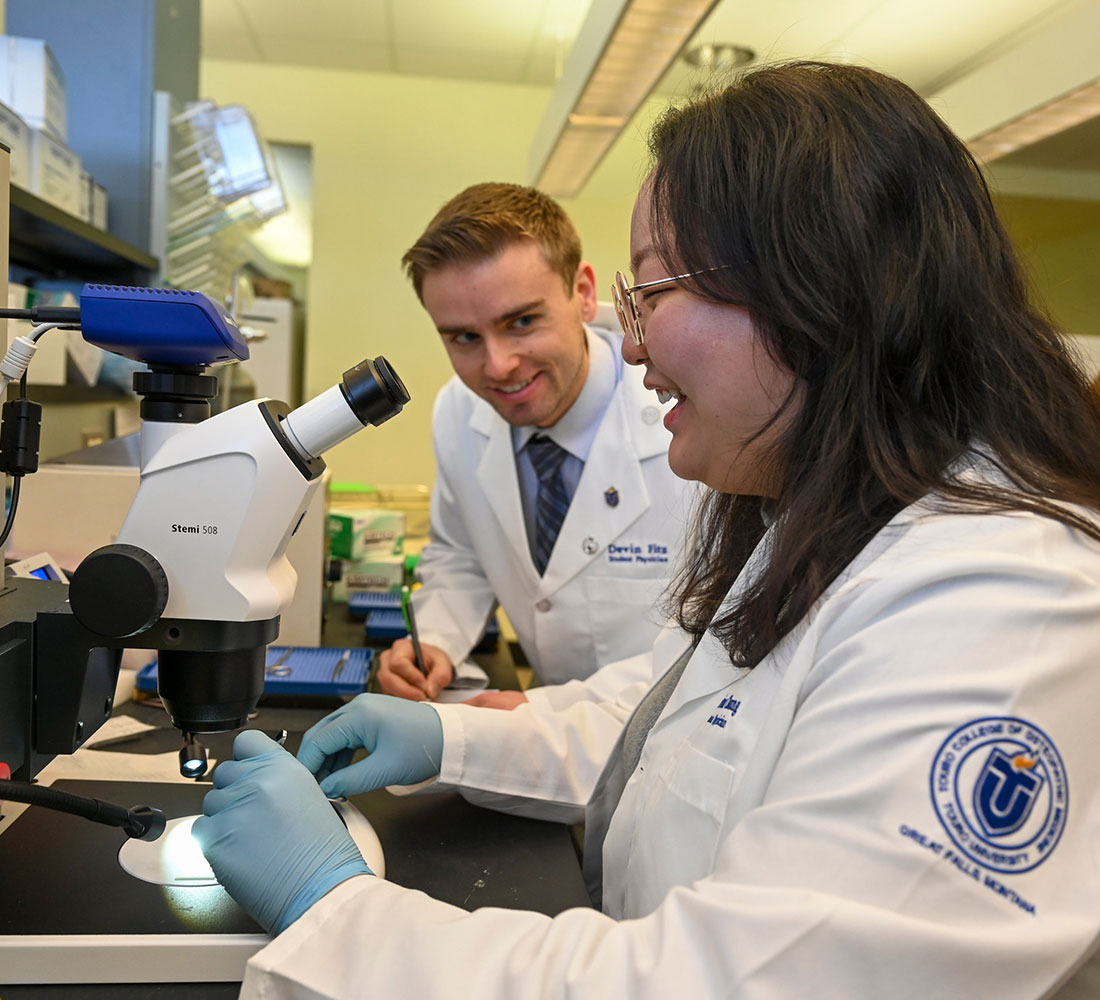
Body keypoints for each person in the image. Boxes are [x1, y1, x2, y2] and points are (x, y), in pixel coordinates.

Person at [196, 61, 1100, 998]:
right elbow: (672, 718)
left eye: (654, 298)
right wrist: (449, 737)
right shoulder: (822, 513)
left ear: (817, 293)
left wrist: (336, 910)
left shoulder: (994, 609)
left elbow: (727, 985)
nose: (630, 346)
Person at [377, 182, 693, 704]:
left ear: (584, 293)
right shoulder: (459, 412)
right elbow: (460, 556)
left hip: (661, 738)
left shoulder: (691, 417)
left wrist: (545, 716)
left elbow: (714, 640)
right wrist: (434, 641)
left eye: (522, 322)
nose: (498, 366)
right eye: (463, 338)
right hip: (534, 740)